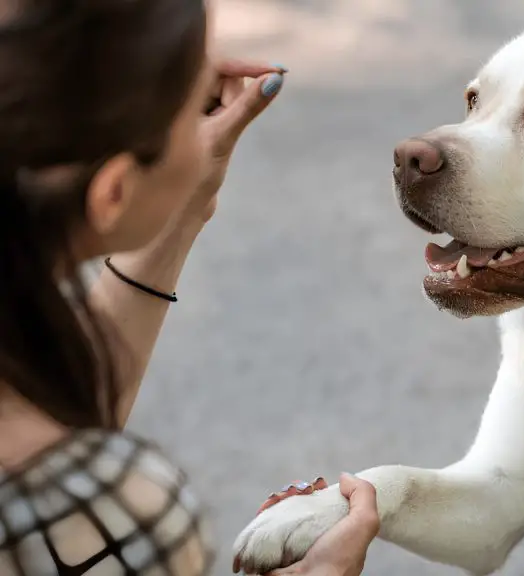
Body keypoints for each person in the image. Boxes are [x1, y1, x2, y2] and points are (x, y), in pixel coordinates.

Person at [0, 1, 378, 574]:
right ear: (113, 192)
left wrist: (183, 205)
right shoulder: (115, 513)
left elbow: (60, 421)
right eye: (187, 108)